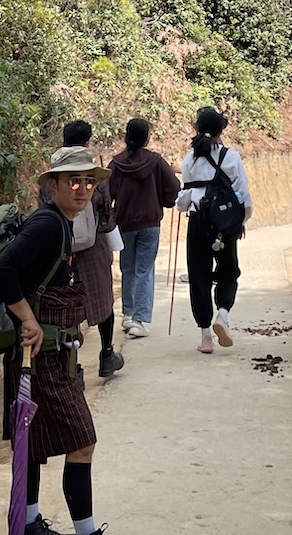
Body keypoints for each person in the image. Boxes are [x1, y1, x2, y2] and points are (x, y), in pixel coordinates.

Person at [0, 145, 138, 535]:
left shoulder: (60, 224)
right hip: (43, 356)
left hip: (46, 355)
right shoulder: (48, 225)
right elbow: (2, 271)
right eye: (73, 180)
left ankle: (31, 528)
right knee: (83, 440)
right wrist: (29, 320)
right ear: (51, 184)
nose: (83, 188)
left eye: (89, 181)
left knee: (32, 441)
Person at [51, 119, 124, 378]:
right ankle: (107, 354)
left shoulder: (53, 176)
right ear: (88, 141)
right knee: (103, 301)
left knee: (69, 310)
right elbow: (106, 214)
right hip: (93, 249)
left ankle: (75, 368)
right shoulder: (94, 175)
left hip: (62, 251)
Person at [177, 104, 252, 355]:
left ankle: (205, 337)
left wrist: (182, 204)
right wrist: (240, 222)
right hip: (224, 225)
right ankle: (222, 315)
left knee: (199, 277)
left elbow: (185, 196)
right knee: (228, 270)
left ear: (198, 129)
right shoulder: (230, 157)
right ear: (221, 130)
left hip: (197, 221)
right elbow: (243, 196)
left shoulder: (189, 159)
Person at [107, 117, 180, 338]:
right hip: (150, 224)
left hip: (125, 223)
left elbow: (105, 193)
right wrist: (163, 202)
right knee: (144, 270)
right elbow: (174, 189)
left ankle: (128, 314)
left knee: (127, 268)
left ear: (126, 135)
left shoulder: (117, 163)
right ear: (147, 137)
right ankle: (138, 320)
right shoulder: (156, 161)